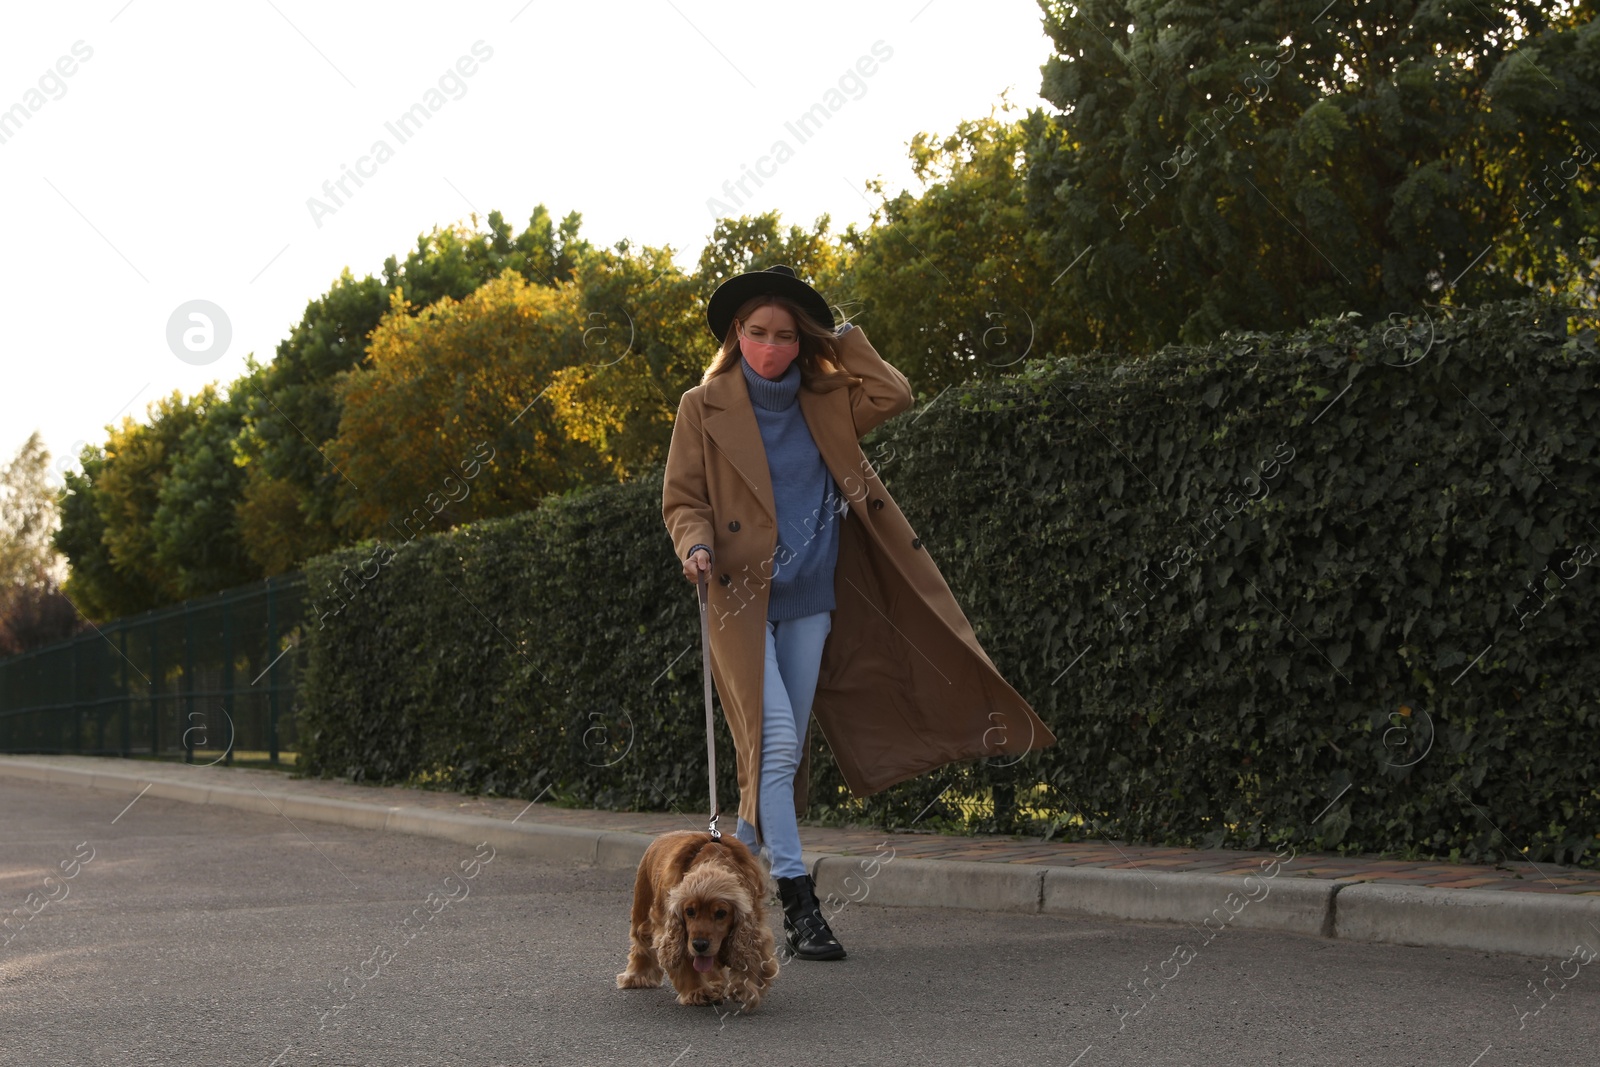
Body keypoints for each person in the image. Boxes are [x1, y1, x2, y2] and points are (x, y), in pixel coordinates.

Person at [662, 264, 1055, 962]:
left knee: (778, 754)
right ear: (735, 334)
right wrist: (694, 543)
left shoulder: (826, 396)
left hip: (813, 599)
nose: (770, 348)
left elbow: (893, 391)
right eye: (756, 333)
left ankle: (729, 869)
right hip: (736, 598)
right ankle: (798, 899)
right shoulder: (702, 404)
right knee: (775, 743)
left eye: (786, 335)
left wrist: (836, 327)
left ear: (802, 339)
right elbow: (682, 498)